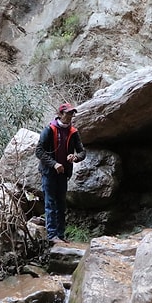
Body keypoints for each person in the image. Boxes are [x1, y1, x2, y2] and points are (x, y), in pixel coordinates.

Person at [35, 102, 86, 244]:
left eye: (72, 114)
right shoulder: (49, 130)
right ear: (60, 114)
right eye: (68, 113)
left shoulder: (73, 132)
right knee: (50, 202)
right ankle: (52, 236)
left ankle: (61, 235)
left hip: (63, 174)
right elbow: (39, 151)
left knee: (61, 204)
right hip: (49, 173)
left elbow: (82, 152)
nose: (70, 116)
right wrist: (54, 164)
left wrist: (75, 157)